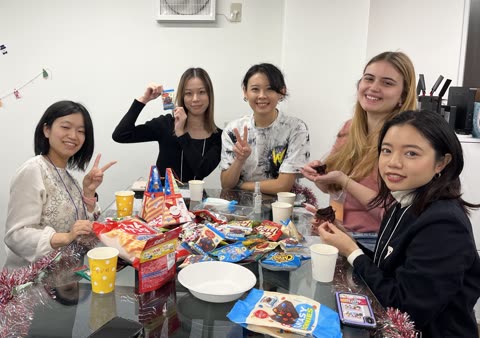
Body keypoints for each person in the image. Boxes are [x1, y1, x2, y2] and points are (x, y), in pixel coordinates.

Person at [317, 110, 480, 337]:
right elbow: (387, 269)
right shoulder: (403, 201)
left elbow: (405, 311)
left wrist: (352, 251)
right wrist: (348, 241)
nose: (393, 163)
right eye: (386, 150)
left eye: (411, 153)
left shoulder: (443, 224)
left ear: (441, 162)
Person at [301, 51, 417, 248]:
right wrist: (321, 178)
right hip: (340, 230)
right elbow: (335, 190)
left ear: (402, 95)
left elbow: (393, 212)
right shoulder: (349, 128)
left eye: (387, 83)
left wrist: (343, 181)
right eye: (369, 79)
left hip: (378, 241)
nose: (373, 88)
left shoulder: (406, 139)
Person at [4, 101, 116, 268]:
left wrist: (88, 193)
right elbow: (16, 236)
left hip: (64, 276)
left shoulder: (68, 177)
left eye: (81, 131)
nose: (73, 135)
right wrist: (66, 237)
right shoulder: (33, 170)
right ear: (46, 130)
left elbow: (82, 227)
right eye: (66, 127)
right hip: (30, 282)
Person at [112, 67, 221, 183]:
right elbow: (121, 135)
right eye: (188, 93)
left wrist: (181, 134)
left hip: (196, 198)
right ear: (182, 97)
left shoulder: (218, 136)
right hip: (162, 199)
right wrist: (144, 100)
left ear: (210, 95)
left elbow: (202, 170)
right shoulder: (166, 123)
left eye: (202, 92)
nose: (195, 99)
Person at [220, 63, 310, 195]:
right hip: (240, 208)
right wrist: (239, 160)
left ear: (282, 92)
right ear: (245, 92)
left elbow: (282, 186)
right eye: (255, 89)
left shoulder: (296, 129)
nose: (262, 95)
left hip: (281, 207)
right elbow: (226, 184)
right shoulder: (233, 130)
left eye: (270, 89)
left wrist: (241, 185)